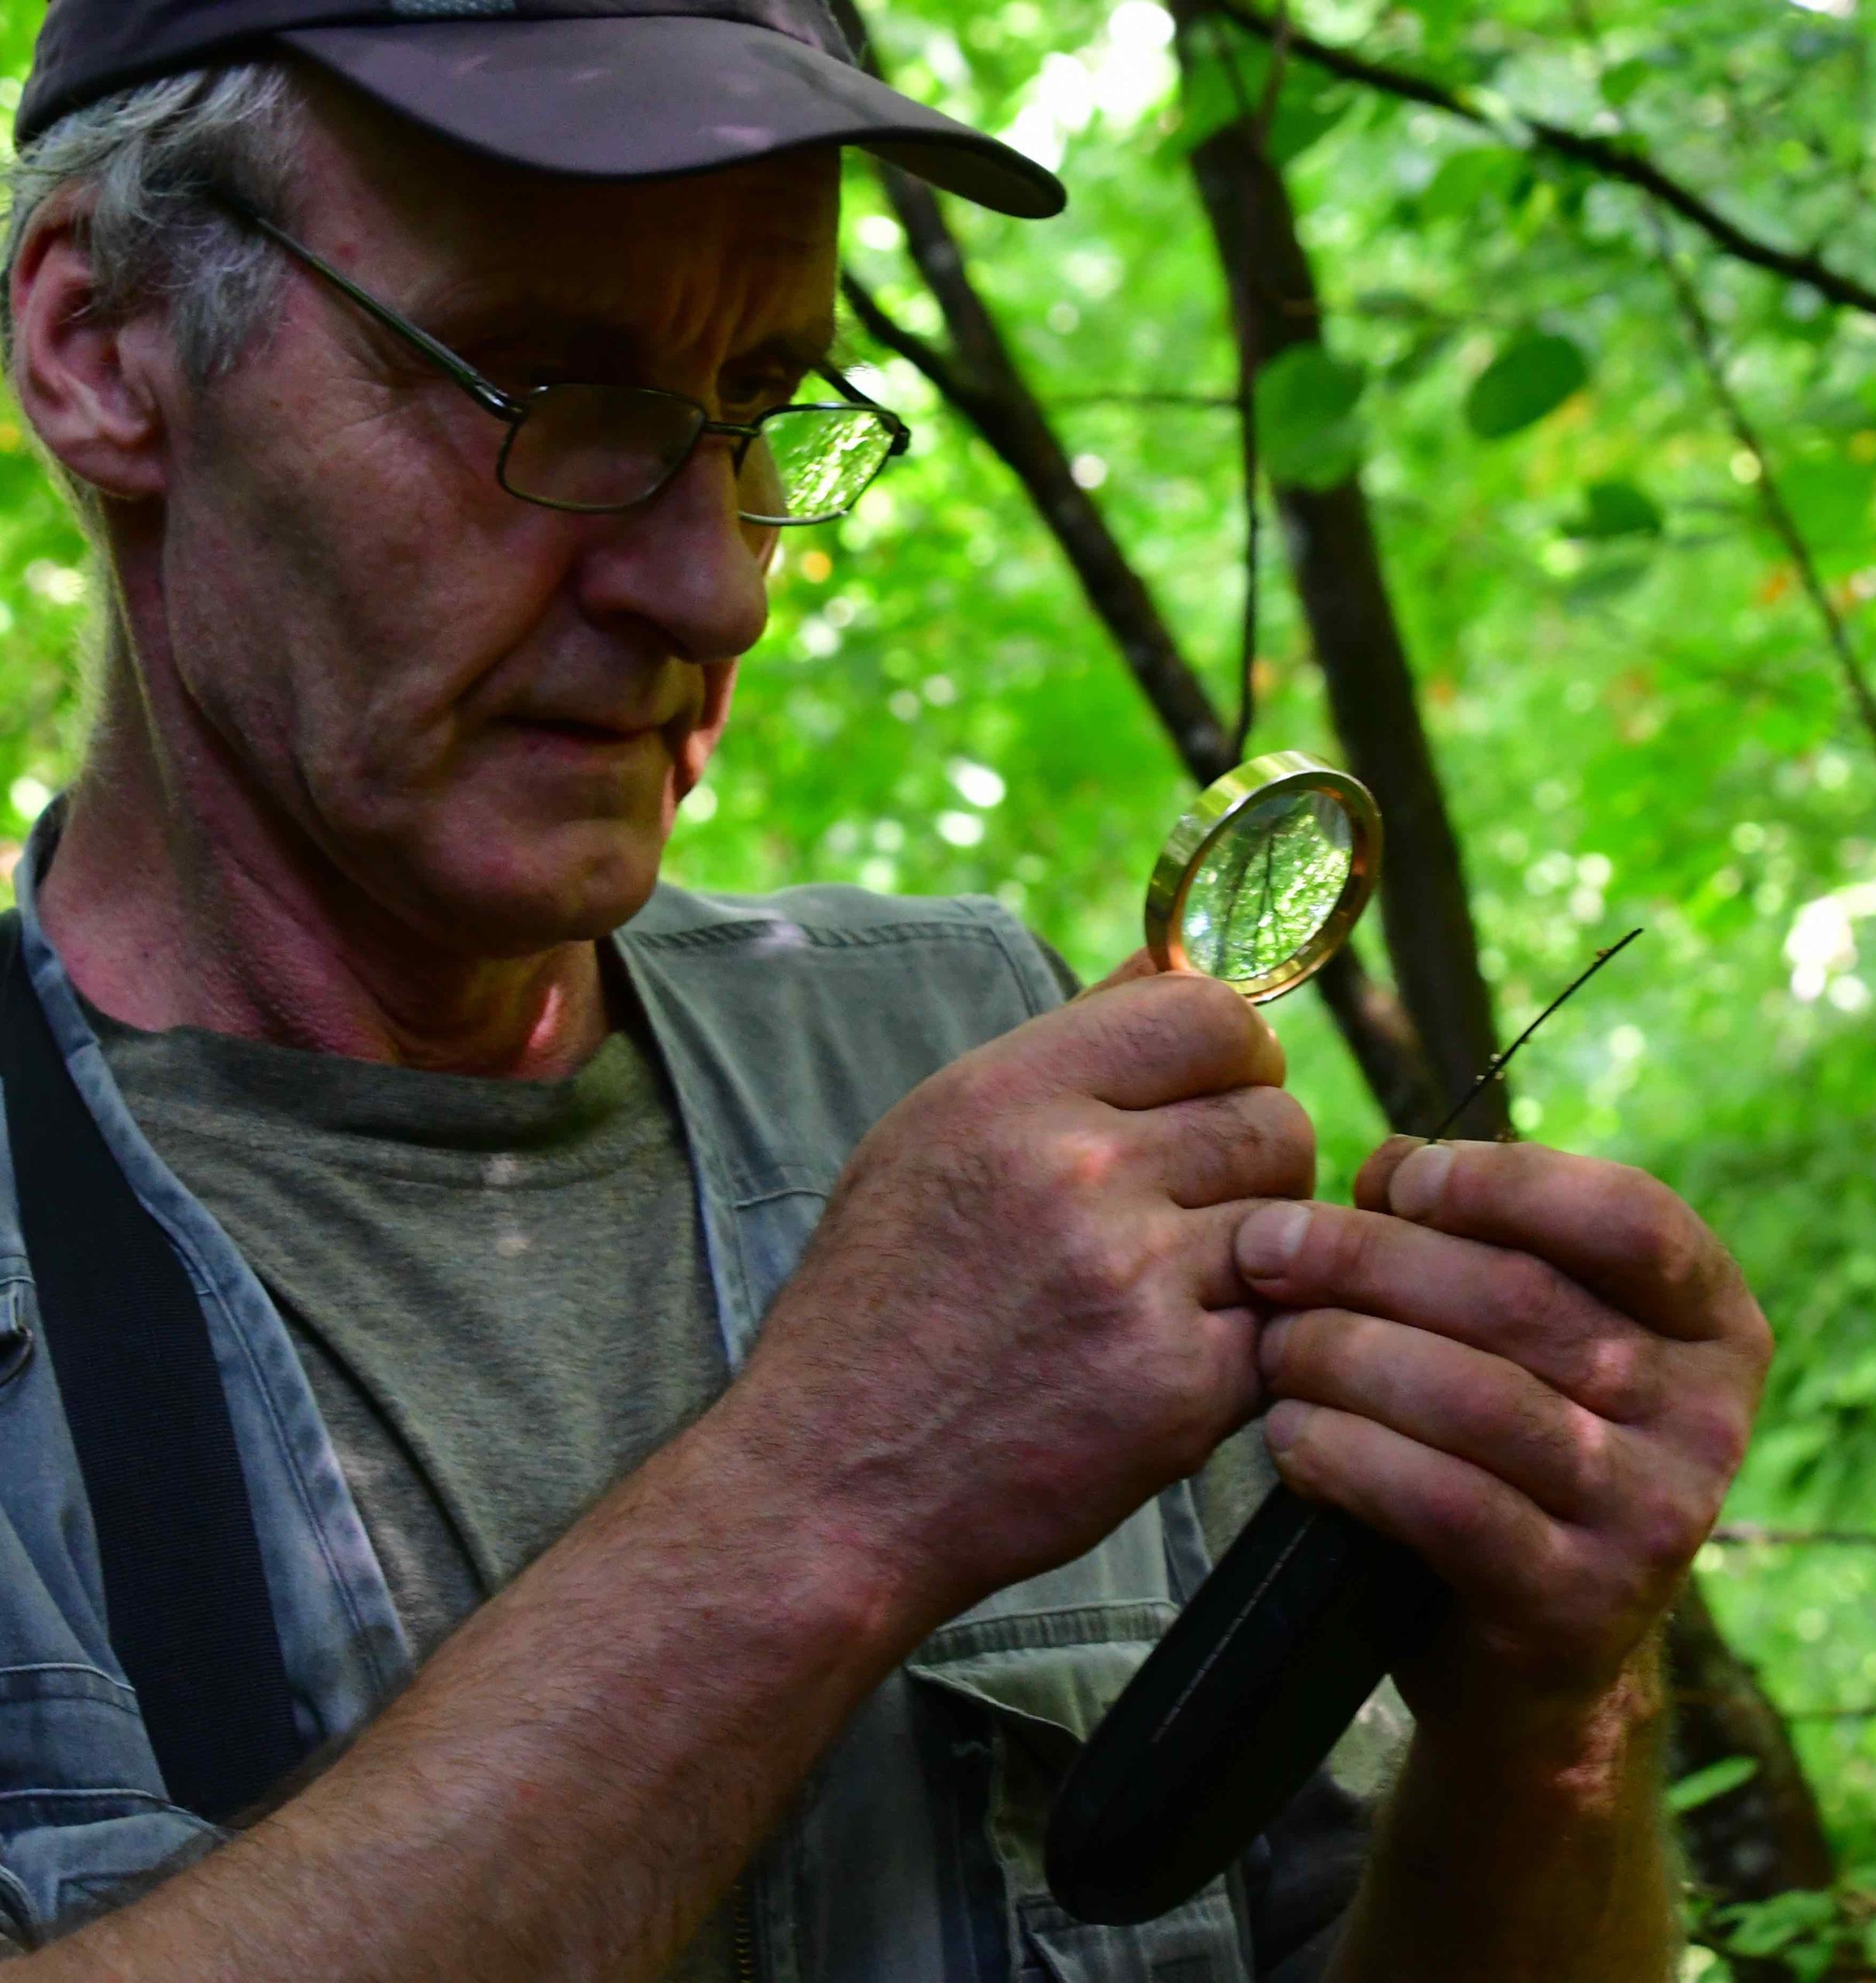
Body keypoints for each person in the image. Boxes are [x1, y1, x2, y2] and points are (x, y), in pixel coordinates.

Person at [0, 2, 1773, 1977]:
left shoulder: (972, 1064)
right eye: (547, 387)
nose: (723, 584)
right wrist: (836, 1487)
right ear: (101, 347)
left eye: (762, 409)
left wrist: (1549, 1709)